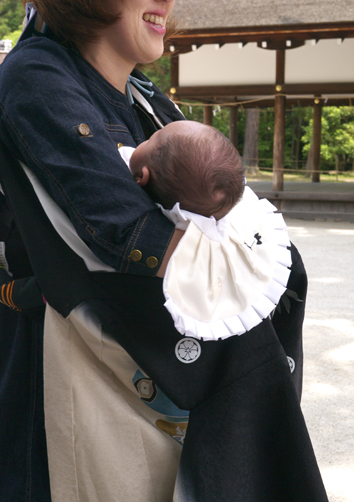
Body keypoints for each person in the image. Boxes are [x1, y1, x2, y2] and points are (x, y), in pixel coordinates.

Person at [0, 2, 329, 502]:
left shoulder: (144, 94)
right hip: (87, 377)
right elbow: (130, 234)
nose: (167, 2)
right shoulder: (38, 74)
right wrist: (249, 257)